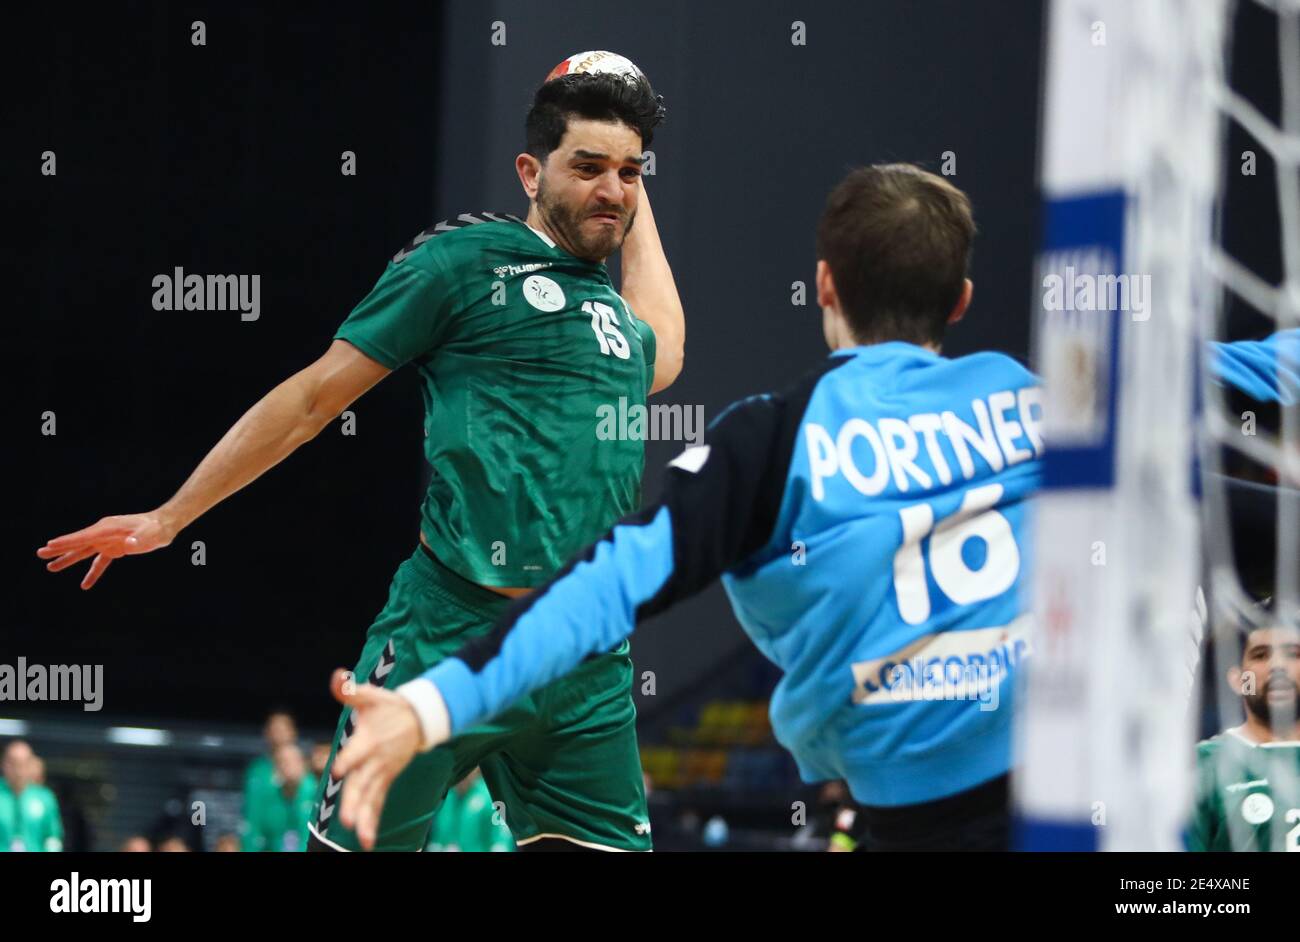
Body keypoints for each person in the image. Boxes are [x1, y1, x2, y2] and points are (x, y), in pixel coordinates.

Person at [328, 164, 1299, 851]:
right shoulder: (1045, 405)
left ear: (824, 287)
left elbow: (605, 587)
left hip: (917, 815)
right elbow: (1248, 382)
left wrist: (428, 703)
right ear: (959, 300)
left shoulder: (771, 441)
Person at [37, 56, 684, 853]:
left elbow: (666, 355)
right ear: (529, 171)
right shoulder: (463, 262)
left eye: (629, 172)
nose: (612, 190)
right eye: (588, 168)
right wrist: (173, 517)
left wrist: (629, 172)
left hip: (583, 654)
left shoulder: (611, 319)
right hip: (446, 633)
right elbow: (312, 401)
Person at [1188, 610, 1300, 851]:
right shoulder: (1201, 765)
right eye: (1260, 656)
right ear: (1239, 681)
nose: (1277, 666)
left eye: (1293, 654)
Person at [242, 743, 317, 852]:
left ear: (304, 763)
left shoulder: (316, 793)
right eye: (282, 762)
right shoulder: (269, 797)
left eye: (293, 761)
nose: (287, 766)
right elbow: (256, 833)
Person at [425, 768, 514, 852]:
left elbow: (501, 842)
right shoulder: (444, 799)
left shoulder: (492, 796)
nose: (461, 774)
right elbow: (436, 841)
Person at [0, 740, 63, 852]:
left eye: (22, 763)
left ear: (30, 765)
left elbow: (52, 837)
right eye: (13, 763)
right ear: (3, 763)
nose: (18, 770)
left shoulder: (44, 797)